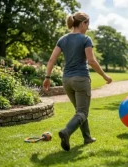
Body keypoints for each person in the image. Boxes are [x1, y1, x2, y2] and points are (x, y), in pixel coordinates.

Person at [43, 12, 112, 151]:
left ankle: (87, 138)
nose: (88, 27)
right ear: (83, 23)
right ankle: (66, 132)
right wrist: (105, 77)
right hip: (81, 79)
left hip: (66, 80)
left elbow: (51, 60)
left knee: (80, 111)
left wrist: (47, 77)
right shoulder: (86, 39)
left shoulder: (62, 39)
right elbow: (91, 61)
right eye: (88, 24)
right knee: (82, 112)